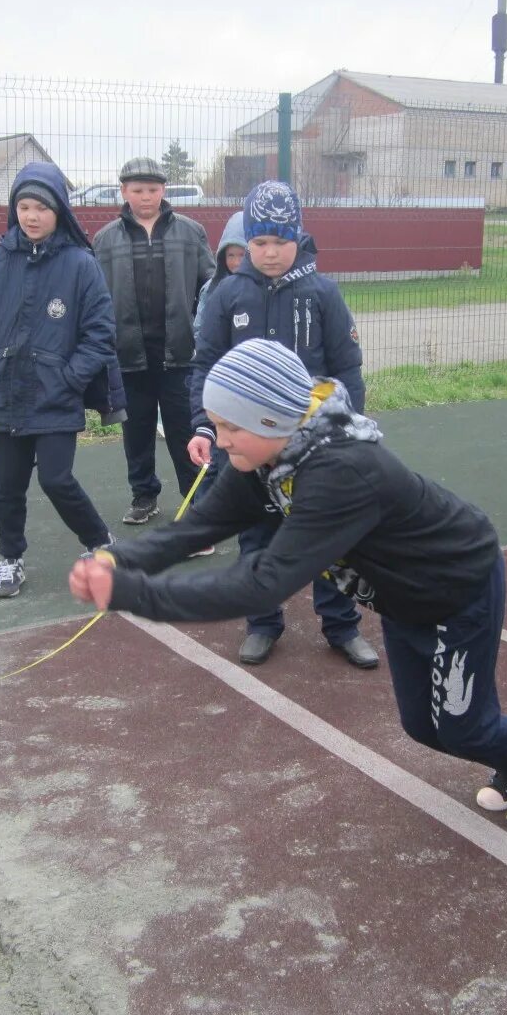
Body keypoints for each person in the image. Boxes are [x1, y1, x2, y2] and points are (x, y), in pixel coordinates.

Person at [69, 339, 507, 829]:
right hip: (406, 599)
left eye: (230, 427)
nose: (220, 440)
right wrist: (116, 559)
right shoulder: (268, 455)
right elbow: (198, 527)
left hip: (458, 587)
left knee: (464, 725)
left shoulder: (340, 471)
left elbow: (260, 585)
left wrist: (132, 595)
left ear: (270, 418)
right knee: (423, 726)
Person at [188, 180, 378, 670]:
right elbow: (205, 365)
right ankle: (262, 622)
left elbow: (347, 368)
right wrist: (205, 427)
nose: (270, 253)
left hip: (313, 444)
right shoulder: (228, 295)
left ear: (298, 237)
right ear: (245, 243)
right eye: (259, 243)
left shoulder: (322, 293)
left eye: (280, 241)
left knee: (327, 538)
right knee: (257, 536)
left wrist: (347, 428)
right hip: (250, 444)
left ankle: (341, 626)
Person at [0, 162, 117, 598]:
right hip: (4, 392)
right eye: (24, 205)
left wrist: (70, 378)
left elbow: (100, 333)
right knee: (7, 483)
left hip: (55, 395)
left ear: (59, 211)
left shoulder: (81, 265)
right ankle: (11, 559)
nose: (32, 215)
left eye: (42, 206)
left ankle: (100, 542)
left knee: (56, 479)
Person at [93, 156, 215, 527]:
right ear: (124, 192)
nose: (145, 196)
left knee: (184, 428)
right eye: (137, 190)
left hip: (178, 354)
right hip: (129, 355)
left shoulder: (191, 233)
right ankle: (143, 496)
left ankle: (196, 501)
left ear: (163, 191)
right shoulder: (105, 239)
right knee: (137, 430)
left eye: (152, 189)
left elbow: (210, 287)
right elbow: (96, 296)